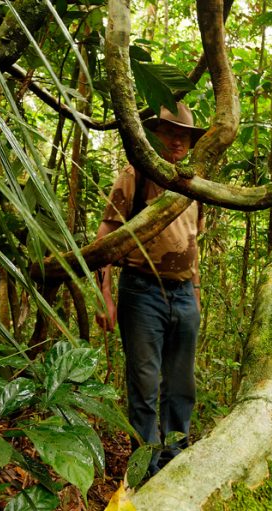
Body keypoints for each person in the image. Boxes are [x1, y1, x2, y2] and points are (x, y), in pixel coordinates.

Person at [95, 102, 207, 476]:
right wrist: (104, 295)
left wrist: (195, 292)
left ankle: (175, 461)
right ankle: (145, 468)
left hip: (183, 295)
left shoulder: (193, 183)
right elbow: (107, 235)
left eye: (184, 135)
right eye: (170, 132)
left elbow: (193, 240)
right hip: (142, 292)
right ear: (154, 134)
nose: (177, 140)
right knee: (144, 384)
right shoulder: (136, 173)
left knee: (181, 383)